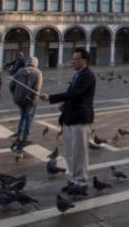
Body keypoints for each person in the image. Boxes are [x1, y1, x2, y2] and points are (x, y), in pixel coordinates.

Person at [39, 48, 95, 196]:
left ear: (85, 61)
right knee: (69, 152)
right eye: (73, 58)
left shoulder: (87, 75)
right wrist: (64, 104)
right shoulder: (78, 75)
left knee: (80, 153)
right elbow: (74, 96)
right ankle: (72, 179)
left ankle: (81, 182)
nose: (73, 61)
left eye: (76, 59)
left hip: (80, 119)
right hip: (70, 118)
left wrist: (50, 98)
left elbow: (74, 94)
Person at [9, 56, 43, 149]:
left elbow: (11, 85)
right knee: (28, 118)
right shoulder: (38, 72)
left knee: (23, 116)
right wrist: (32, 98)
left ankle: (19, 136)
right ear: (36, 63)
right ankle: (25, 138)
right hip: (29, 100)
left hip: (18, 99)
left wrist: (15, 94)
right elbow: (37, 89)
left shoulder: (20, 71)